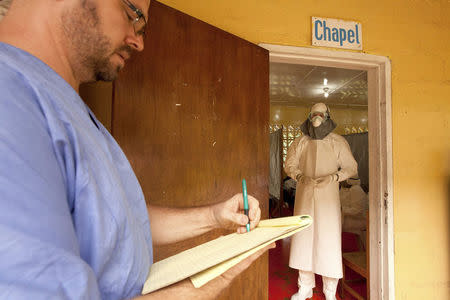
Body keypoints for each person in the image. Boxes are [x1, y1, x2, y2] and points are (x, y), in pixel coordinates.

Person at [0, 0, 272, 299]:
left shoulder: (65, 104)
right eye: (133, 14)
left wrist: (213, 217)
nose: (138, 42)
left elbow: (116, 223)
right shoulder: (10, 96)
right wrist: (198, 290)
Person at [284, 103, 357, 300]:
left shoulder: (337, 141)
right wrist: (300, 177)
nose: (317, 117)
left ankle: (330, 292)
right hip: (304, 197)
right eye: (314, 114)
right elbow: (289, 164)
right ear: (309, 116)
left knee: (328, 241)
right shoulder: (300, 142)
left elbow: (351, 167)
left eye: (321, 114)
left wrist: (333, 177)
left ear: (328, 117)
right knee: (303, 240)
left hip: (328, 201)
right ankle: (305, 287)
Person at [340, 177, 369, 249]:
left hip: (357, 227)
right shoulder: (343, 190)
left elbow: (358, 210)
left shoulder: (356, 190)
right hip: (346, 226)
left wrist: (341, 209)